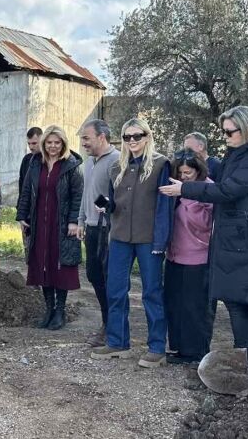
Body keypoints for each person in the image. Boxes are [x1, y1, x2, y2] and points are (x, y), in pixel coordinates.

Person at [160, 106, 248, 385]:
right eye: (224, 131)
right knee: (244, 304)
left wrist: (185, 189)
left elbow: (227, 190)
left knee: (240, 303)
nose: (225, 136)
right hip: (242, 241)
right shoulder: (243, 156)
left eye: (230, 131)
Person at [90, 118, 172, 368]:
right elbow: (115, 203)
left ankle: (157, 347)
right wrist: (106, 204)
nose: (133, 141)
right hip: (120, 237)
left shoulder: (161, 165)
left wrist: (162, 240)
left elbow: (165, 206)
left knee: (151, 292)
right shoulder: (118, 166)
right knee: (115, 290)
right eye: (127, 137)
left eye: (137, 136)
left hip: (149, 240)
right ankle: (117, 342)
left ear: (147, 136)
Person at [17, 125, 83, 331]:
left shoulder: (71, 165)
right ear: (44, 144)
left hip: (61, 223)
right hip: (39, 223)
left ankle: (60, 311)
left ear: (63, 144)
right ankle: (48, 310)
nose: (53, 146)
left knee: (59, 265)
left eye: (57, 142)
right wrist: (22, 215)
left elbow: (77, 196)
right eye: (49, 142)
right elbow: (26, 190)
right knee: (42, 264)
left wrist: (74, 221)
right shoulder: (35, 163)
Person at [163, 149, 215, 365]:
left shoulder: (209, 190)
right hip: (175, 256)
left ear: (198, 171)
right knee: (174, 304)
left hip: (199, 257)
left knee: (196, 307)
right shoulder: (173, 188)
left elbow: (205, 224)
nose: (184, 177)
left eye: (188, 173)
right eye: (181, 173)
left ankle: (198, 351)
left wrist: (186, 195)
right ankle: (178, 348)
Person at [76, 119, 120, 346]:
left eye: (86, 138)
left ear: (101, 137)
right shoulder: (90, 162)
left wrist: (105, 204)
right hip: (92, 229)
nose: (83, 142)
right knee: (94, 276)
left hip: (109, 231)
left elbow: (120, 198)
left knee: (108, 279)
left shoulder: (117, 161)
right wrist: (81, 220)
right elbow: (86, 194)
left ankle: (112, 329)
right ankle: (107, 323)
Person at [18, 127, 43, 262]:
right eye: (29, 143)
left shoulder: (49, 160)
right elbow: (22, 189)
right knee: (29, 253)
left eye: (34, 143)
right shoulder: (27, 160)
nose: (31, 147)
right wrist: (21, 214)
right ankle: (33, 281)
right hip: (28, 215)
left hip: (44, 213)